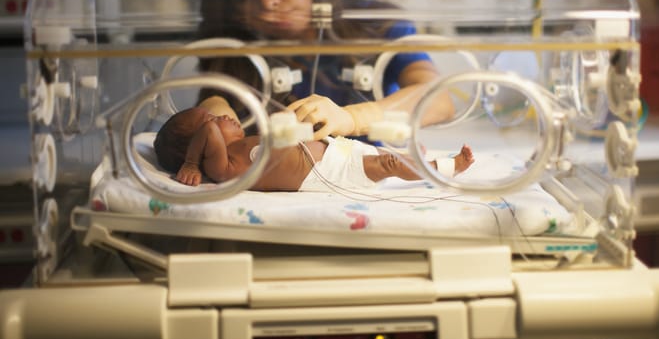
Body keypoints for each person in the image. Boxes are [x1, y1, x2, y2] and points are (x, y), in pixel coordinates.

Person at [195, 0, 455, 140]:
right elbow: (212, 103)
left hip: (372, 175)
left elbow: (439, 99)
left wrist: (353, 118)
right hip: (287, 184)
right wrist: (213, 108)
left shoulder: (377, 23)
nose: (267, 2)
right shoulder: (240, 51)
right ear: (233, 11)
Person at [153, 107, 474, 191]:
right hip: (327, 172)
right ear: (197, 146)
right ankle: (443, 170)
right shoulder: (221, 168)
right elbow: (210, 132)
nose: (220, 117)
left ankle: (423, 160)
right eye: (209, 120)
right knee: (387, 164)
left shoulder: (238, 147)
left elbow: (210, 129)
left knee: (384, 158)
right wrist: (193, 163)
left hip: (335, 151)